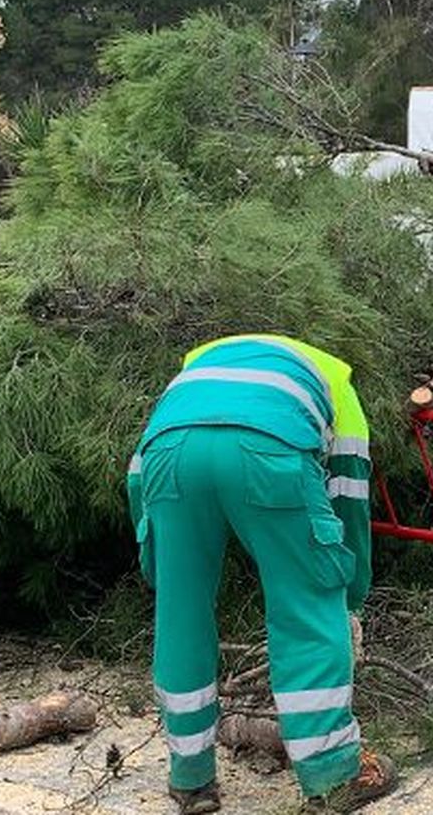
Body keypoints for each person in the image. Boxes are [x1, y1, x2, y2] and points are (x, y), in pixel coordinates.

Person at [126, 334, 397, 814]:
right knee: (306, 608)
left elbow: (138, 475)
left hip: (170, 454)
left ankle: (191, 780)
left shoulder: (192, 374)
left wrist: (159, 568)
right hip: (270, 451)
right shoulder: (336, 382)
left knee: (181, 614)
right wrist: (348, 592)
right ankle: (333, 777)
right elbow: (349, 494)